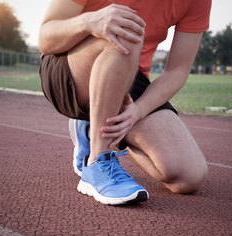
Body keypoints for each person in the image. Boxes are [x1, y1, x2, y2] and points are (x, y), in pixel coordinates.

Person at [39, 0, 212, 205]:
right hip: (68, 65)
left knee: (188, 175)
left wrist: (137, 110)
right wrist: (90, 21)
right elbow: (45, 37)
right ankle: (96, 161)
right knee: (125, 27)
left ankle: (92, 126)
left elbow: (177, 71)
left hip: (128, 77)